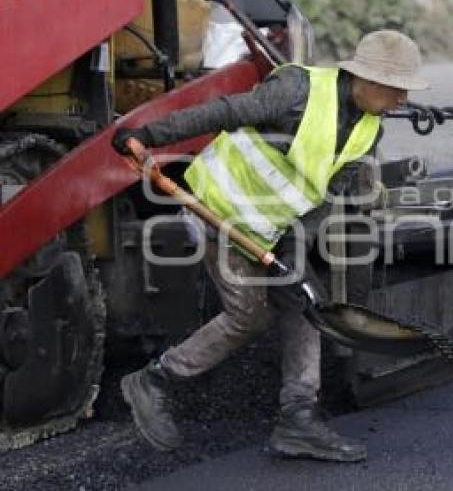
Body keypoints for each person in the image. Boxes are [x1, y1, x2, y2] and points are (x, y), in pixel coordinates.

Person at [112, 30, 428, 462]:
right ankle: (155, 380)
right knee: (250, 314)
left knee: (304, 300)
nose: (404, 99)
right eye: (399, 88)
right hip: (217, 208)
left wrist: (293, 255)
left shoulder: (368, 130)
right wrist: (148, 134)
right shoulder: (298, 89)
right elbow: (224, 112)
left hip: (269, 229)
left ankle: (298, 420)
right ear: (371, 80)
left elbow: (327, 198)